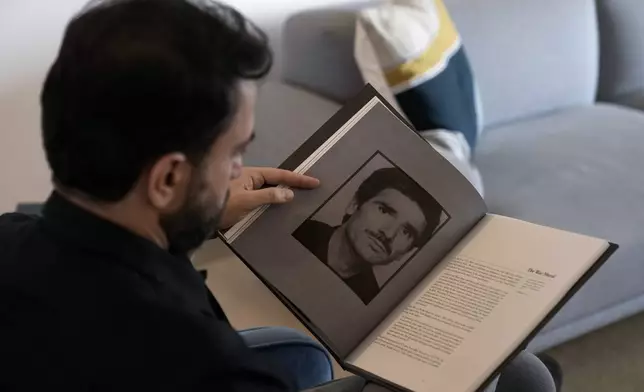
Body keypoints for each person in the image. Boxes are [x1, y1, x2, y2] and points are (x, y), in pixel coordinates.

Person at [0, 0, 559, 391]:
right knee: (527, 376)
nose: (241, 170)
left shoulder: (11, 239)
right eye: (234, 153)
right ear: (167, 180)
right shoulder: (211, 367)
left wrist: (196, 216)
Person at [293, 167, 443, 304]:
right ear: (354, 204)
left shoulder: (369, 300)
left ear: (406, 252)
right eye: (384, 211)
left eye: (406, 232)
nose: (389, 234)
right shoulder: (297, 232)